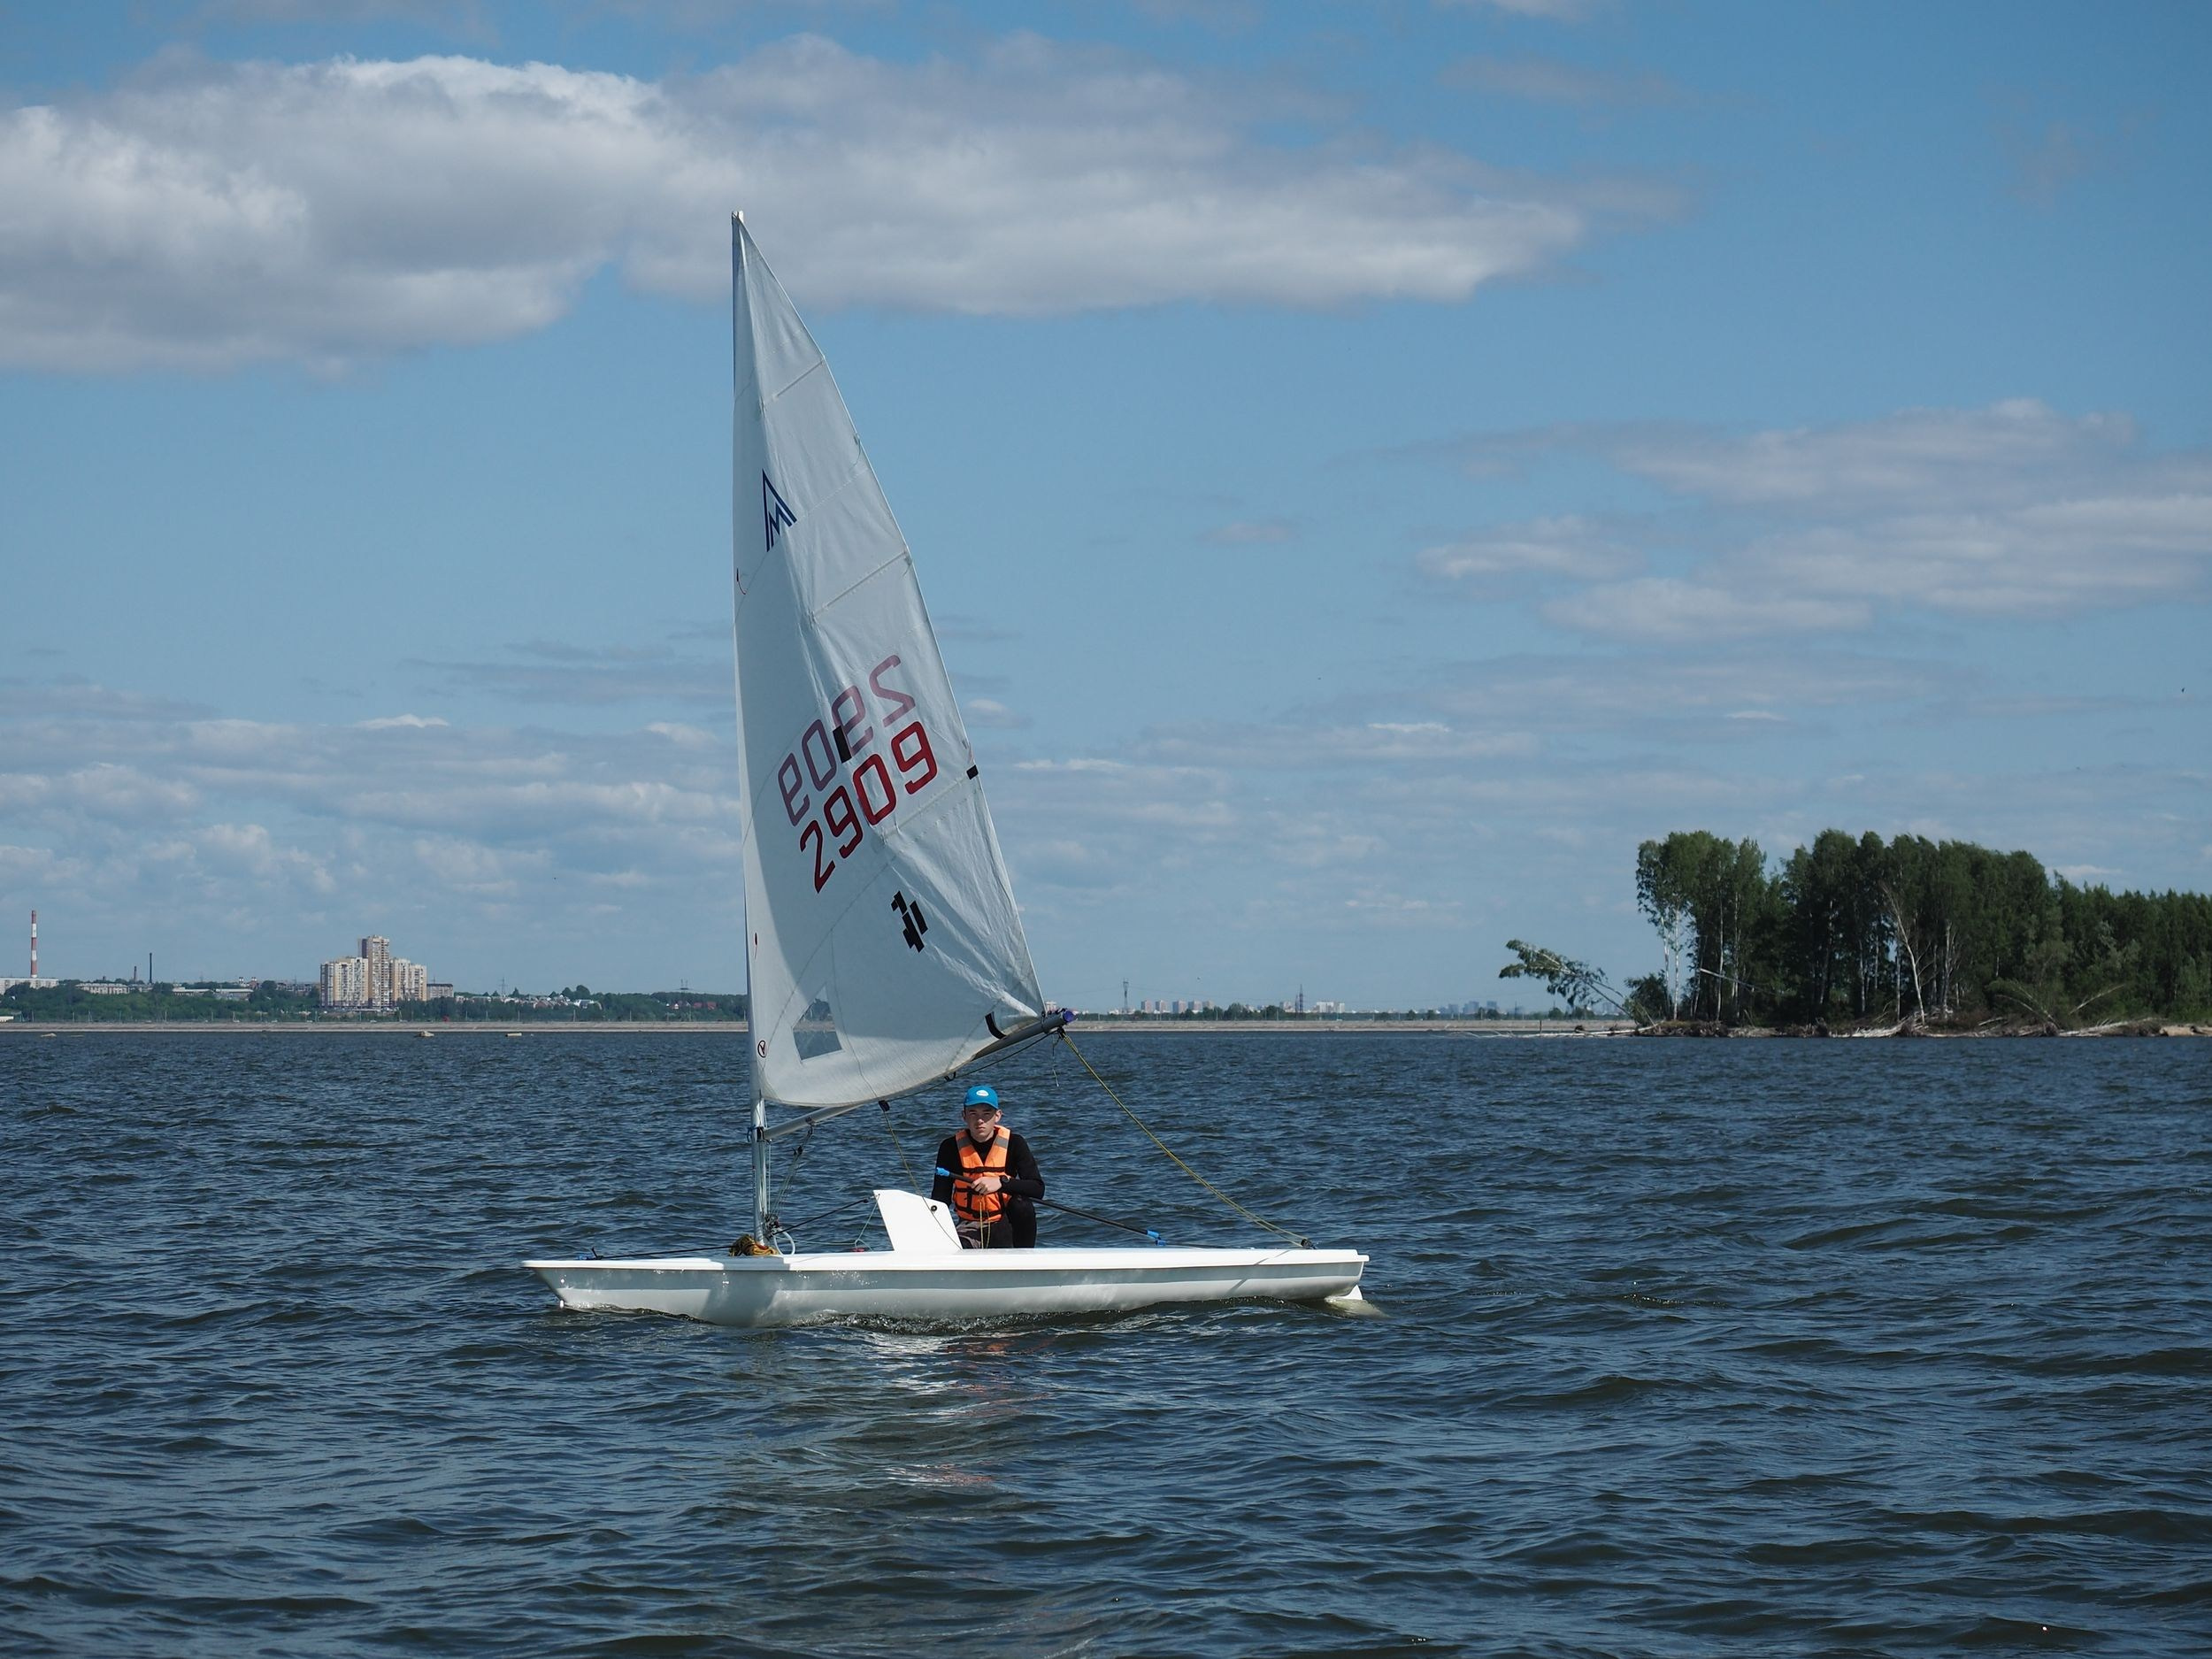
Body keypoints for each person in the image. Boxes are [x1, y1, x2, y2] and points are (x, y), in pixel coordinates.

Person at [932, 1083, 1043, 1248]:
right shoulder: (949, 1147)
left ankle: (1024, 1260)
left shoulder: (1015, 1143)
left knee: (1022, 1205)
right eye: (973, 1113)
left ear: (997, 1115)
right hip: (969, 1225)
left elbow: (1038, 1189)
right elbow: (940, 1199)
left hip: (1004, 1222)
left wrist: (1001, 1182)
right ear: (964, 1116)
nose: (980, 1120)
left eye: (987, 1113)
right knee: (958, 1246)